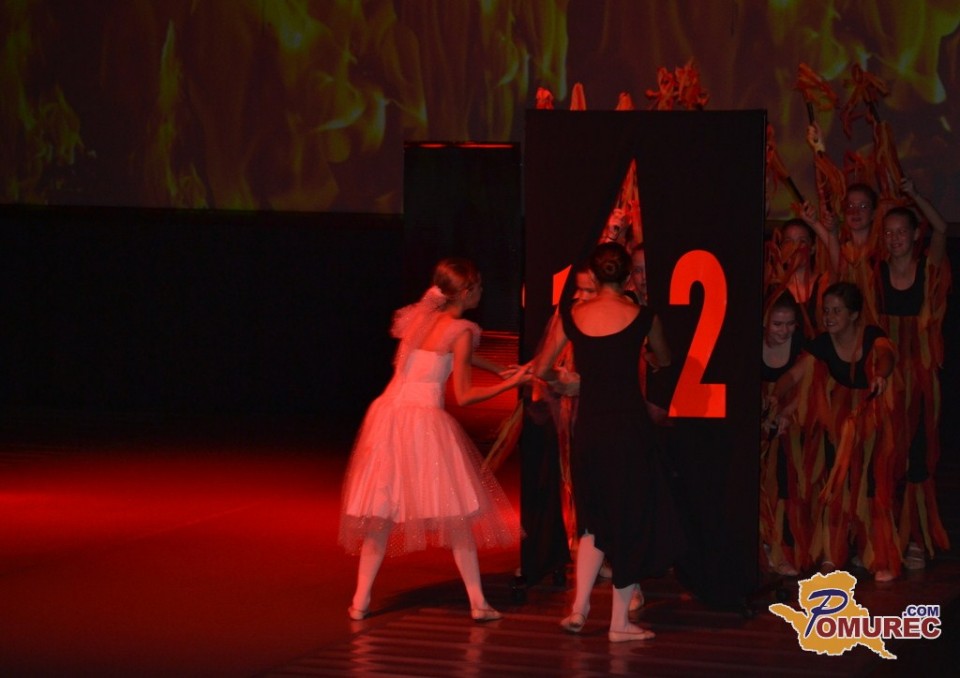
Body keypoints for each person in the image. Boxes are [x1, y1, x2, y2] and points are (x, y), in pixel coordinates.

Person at [339, 258, 531, 622]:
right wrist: (512, 384)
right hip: (424, 422)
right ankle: (478, 603)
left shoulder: (421, 319)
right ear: (466, 291)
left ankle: (360, 601)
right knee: (457, 515)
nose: (482, 291)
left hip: (388, 417)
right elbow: (466, 394)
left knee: (382, 511)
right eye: (479, 286)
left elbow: (442, 356)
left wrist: (497, 368)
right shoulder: (461, 330)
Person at [534, 242, 684, 642]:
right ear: (628, 277)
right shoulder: (643, 316)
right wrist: (647, 357)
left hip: (590, 429)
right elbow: (665, 359)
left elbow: (542, 369)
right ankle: (619, 623)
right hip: (629, 429)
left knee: (593, 520)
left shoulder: (573, 315)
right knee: (629, 519)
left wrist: (571, 382)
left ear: (594, 276)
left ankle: (579, 608)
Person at [769, 282, 899, 582]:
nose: (829, 316)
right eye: (826, 310)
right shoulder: (823, 344)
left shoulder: (871, 335)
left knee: (871, 484)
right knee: (834, 482)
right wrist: (776, 396)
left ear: (853, 315)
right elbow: (793, 375)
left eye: (836, 311)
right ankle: (832, 552)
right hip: (839, 420)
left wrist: (880, 374)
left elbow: (886, 355)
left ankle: (879, 556)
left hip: (871, 414)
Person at [876, 178, 951, 568]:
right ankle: (885, 538)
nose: (894, 239)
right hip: (887, 377)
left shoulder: (927, 268)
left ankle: (916, 539)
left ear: (914, 234)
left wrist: (915, 195)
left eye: (901, 232)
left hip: (920, 379)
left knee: (918, 455)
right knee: (887, 455)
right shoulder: (875, 273)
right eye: (888, 233)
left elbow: (941, 229)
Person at [760, 292, 810, 576]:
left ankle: (783, 549)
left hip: (791, 416)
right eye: (777, 324)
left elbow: (808, 385)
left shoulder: (801, 345)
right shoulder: (750, 340)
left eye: (790, 324)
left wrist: (787, 412)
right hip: (759, 415)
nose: (784, 331)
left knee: (784, 482)